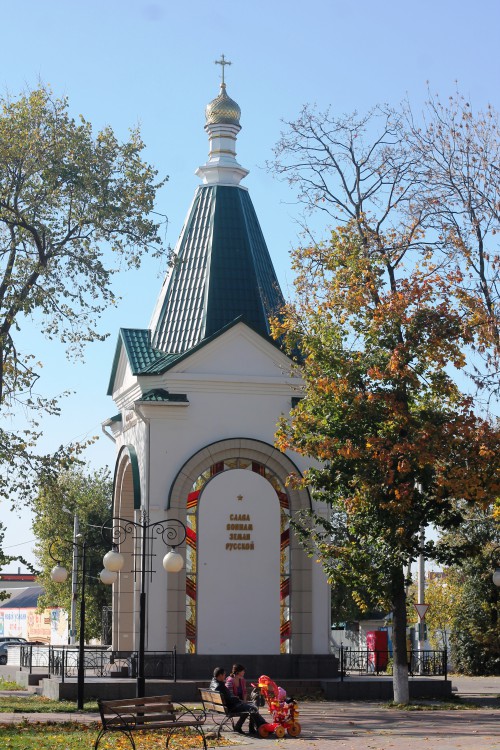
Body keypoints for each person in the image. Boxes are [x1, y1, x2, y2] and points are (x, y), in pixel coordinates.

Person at [210, 666, 266, 735]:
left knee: (249, 707)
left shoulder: (213, 683)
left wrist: (240, 701)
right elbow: (230, 698)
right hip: (230, 707)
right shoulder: (220, 686)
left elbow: (229, 697)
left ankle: (242, 727)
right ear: (220, 675)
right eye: (224, 675)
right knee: (252, 708)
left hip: (223, 707)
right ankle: (262, 726)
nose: (225, 676)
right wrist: (239, 700)